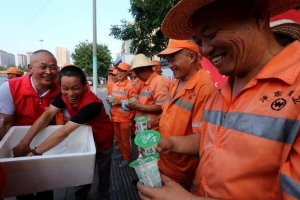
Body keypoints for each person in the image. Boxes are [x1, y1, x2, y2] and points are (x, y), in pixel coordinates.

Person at [137, 0, 300, 199]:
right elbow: (211, 139)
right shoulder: (222, 91)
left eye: (211, 35)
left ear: (257, 15)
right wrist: (171, 143)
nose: (204, 50)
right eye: (198, 42)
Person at [13, 65, 114, 200]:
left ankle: (104, 196)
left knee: (103, 172)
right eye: (65, 88)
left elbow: (63, 132)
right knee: (83, 171)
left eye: (75, 88)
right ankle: (80, 197)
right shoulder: (63, 95)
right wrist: (24, 142)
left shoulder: (92, 104)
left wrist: (34, 153)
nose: (70, 94)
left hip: (102, 140)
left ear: (85, 85)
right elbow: (47, 115)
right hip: (84, 139)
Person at [153, 39, 216, 191]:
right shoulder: (176, 82)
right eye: (168, 60)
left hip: (180, 170)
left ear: (191, 57)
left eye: (173, 59)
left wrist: (169, 142)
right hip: (162, 159)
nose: (170, 65)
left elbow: (202, 139)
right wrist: (152, 124)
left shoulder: (204, 87)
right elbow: (170, 114)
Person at [0, 49, 60, 199]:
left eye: (53, 67)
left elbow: (67, 119)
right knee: (22, 187)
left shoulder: (60, 92)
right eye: (43, 67)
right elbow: (7, 123)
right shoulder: (10, 88)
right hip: (19, 144)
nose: (49, 72)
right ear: (30, 67)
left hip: (45, 145)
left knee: (45, 187)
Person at [126, 54, 169, 130]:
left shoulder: (159, 82)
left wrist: (138, 107)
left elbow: (162, 108)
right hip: (145, 128)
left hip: (153, 131)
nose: (137, 75)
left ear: (145, 69)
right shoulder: (146, 83)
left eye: (137, 72)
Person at [110, 62, 136, 167]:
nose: (119, 73)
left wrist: (120, 102)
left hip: (126, 118)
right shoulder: (115, 85)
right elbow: (113, 99)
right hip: (116, 116)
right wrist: (110, 100)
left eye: (122, 71)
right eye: (119, 71)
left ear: (127, 73)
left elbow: (134, 103)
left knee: (125, 140)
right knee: (119, 139)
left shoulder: (130, 86)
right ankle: (122, 154)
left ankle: (127, 158)